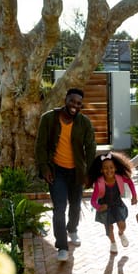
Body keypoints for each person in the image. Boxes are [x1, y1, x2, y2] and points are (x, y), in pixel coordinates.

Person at [35, 88, 96, 262]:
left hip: (76, 171)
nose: (75, 106)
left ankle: (73, 229)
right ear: (65, 99)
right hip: (56, 172)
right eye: (72, 101)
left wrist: (89, 171)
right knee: (59, 208)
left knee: (76, 205)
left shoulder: (84, 123)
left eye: (78, 103)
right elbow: (40, 146)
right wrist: (44, 167)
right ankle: (62, 246)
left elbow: (90, 147)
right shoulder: (48, 119)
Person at [89, 151, 138, 253]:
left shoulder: (119, 178)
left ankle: (121, 233)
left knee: (122, 225)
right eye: (105, 168)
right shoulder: (99, 183)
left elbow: (130, 182)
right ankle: (113, 243)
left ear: (115, 168)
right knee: (109, 228)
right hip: (105, 207)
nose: (109, 170)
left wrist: (134, 195)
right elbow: (93, 200)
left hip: (117, 204)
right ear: (102, 170)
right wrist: (98, 207)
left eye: (111, 167)